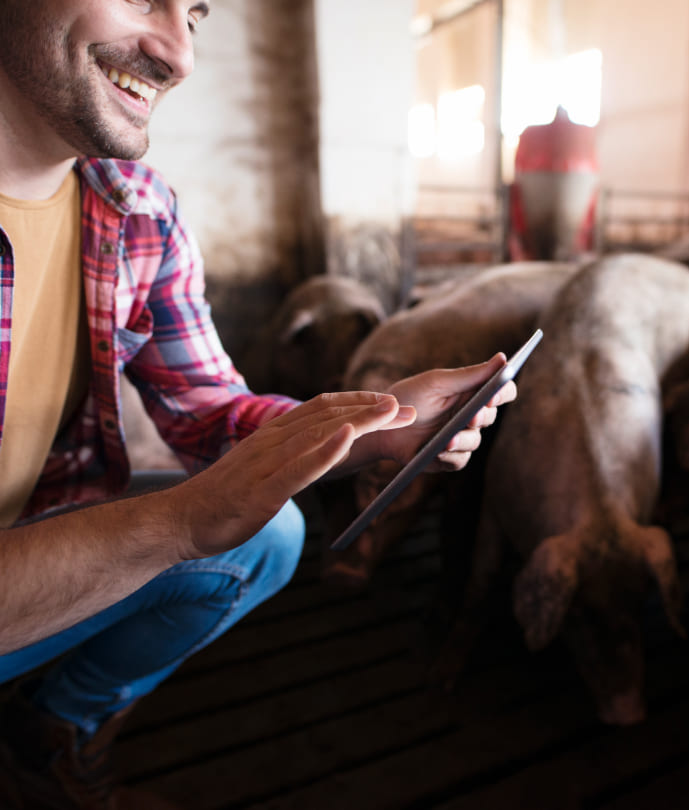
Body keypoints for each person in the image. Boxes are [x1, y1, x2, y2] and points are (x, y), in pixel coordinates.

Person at [0, 2, 517, 808]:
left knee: (271, 534)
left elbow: (209, 409)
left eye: (195, 15)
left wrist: (380, 424)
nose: (179, 54)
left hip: (37, 536)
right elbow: (193, 509)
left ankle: (48, 730)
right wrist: (181, 521)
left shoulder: (138, 209)